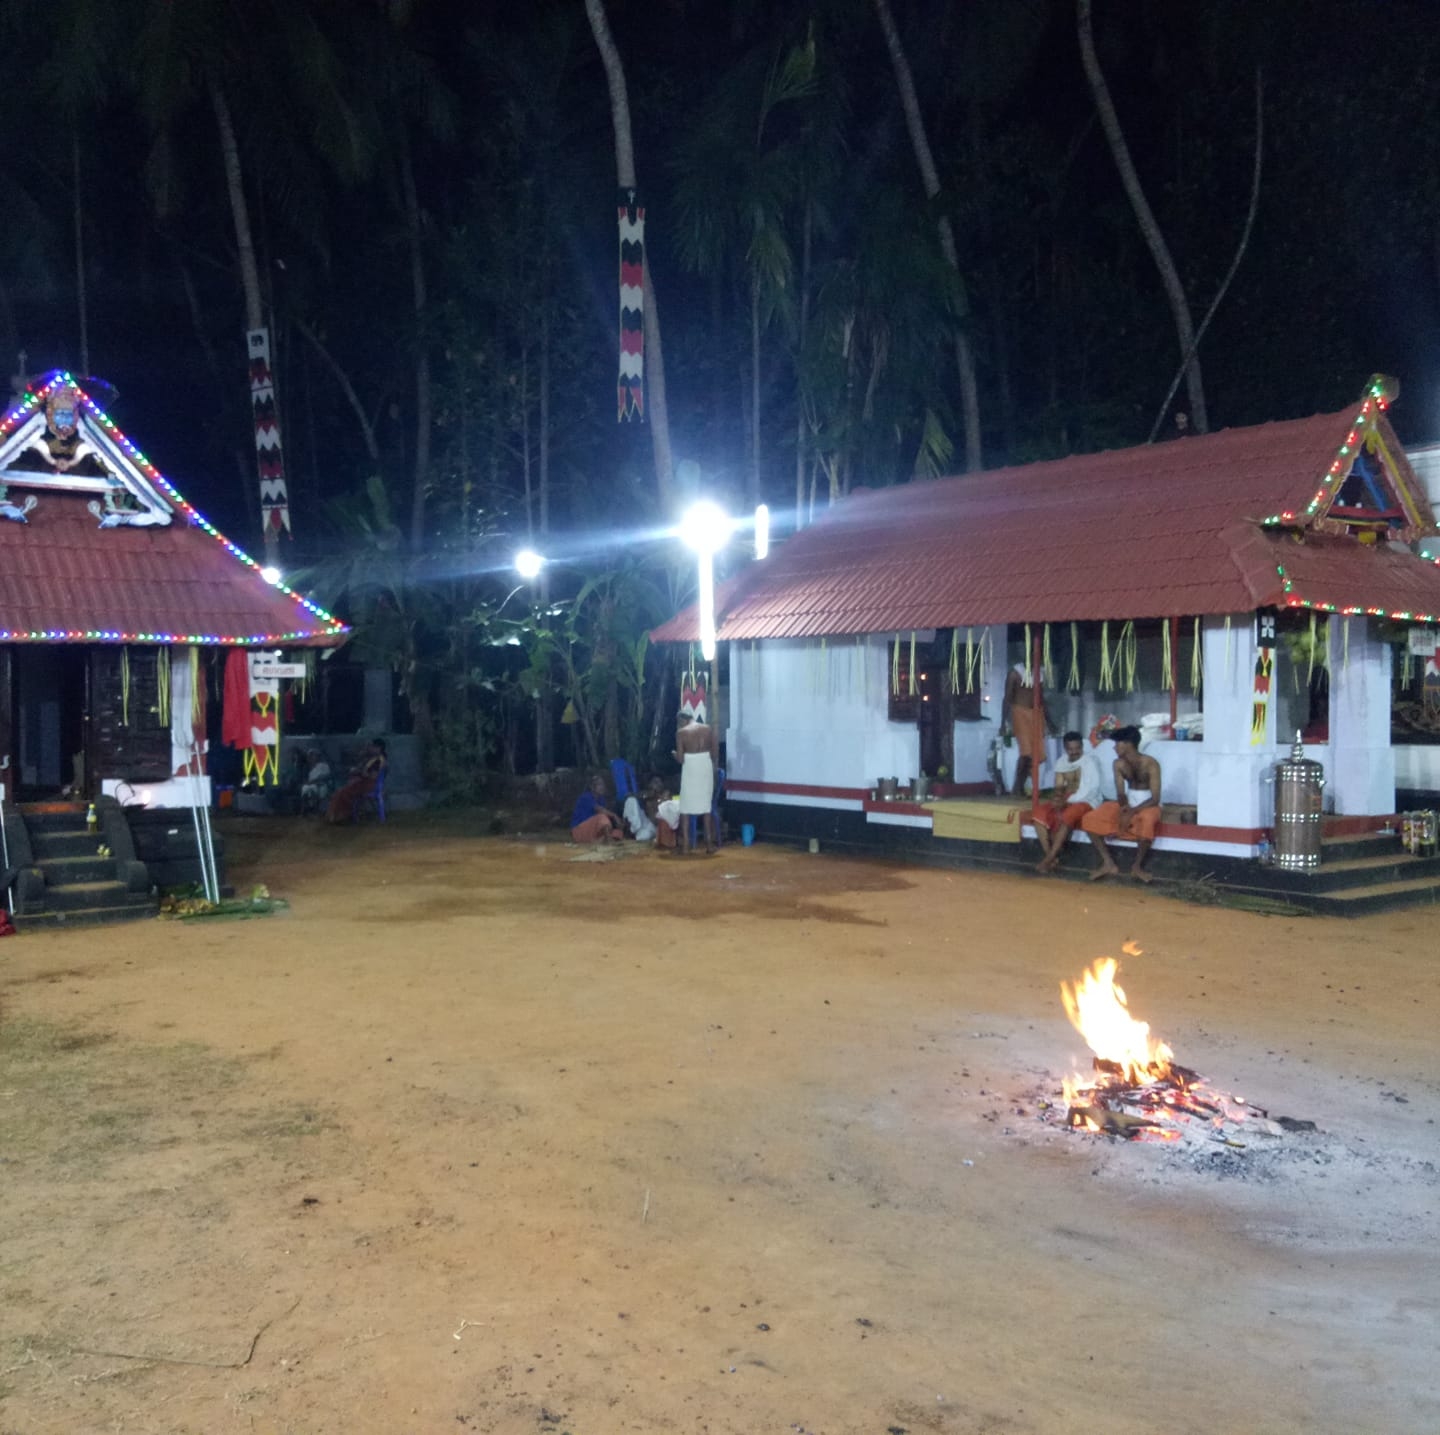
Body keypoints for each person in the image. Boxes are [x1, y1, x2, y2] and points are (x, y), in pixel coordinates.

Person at [1081, 725, 1162, 882]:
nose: (1114, 747)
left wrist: (1132, 812)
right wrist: (1125, 808)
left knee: (1147, 820)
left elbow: (1155, 798)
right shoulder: (1118, 764)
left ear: (1128, 744)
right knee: (1090, 818)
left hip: (1148, 804)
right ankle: (1108, 863)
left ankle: (1137, 867)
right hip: (1129, 802)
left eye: (1117, 743)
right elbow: (1120, 793)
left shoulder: (1151, 763)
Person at [1034, 730, 1104, 873]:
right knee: (1039, 813)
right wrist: (1057, 799)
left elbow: (1091, 789)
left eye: (1078, 748)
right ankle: (1050, 856)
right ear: (1065, 748)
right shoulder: (1061, 762)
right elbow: (1059, 786)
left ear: (1082, 747)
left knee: (1068, 815)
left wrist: (1066, 803)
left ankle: (1049, 859)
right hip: (1067, 798)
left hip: (1087, 799)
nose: (1074, 752)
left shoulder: (1089, 762)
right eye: (1070, 749)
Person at [674, 703, 719, 855]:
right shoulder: (707, 729)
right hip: (705, 765)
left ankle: (686, 846)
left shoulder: (681, 733)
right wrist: (711, 765)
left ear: (682, 719)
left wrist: (674, 754)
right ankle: (709, 845)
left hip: (691, 767)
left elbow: (680, 759)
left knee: (685, 808)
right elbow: (715, 751)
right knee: (706, 807)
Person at [1002, 659, 1041, 796]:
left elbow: (1041, 698)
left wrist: (1049, 720)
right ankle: (1016, 788)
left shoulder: (1040, 672)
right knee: (1026, 753)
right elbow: (1007, 698)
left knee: (1034, 756)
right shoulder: (1014, 673)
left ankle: (1021, 787)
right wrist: (1003, 723)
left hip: (1036, 715)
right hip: (1019, 713)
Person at [325, 738, 386, 824]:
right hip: (362, 782)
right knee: (341, 791)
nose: (370, 748)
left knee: (343, 793)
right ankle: (336, 817)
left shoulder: (379, 760)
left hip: (369, 785)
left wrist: (359, 772)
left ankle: (340, 817)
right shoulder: (372, 758)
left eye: (372, 746)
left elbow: (372, 776)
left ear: (379, 748)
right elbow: (362, 766)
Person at [570, 775, 622, 844]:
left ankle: (599, 840)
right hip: (579, 830)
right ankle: (608, 840)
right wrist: (614, 816)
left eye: (603, 784)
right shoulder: (586, 797)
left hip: (591, 831)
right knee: (602, 817)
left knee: (617, 833)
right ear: (592, 787)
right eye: (599, 784)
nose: (602, 787)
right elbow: (600, 810)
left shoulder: (601, 799)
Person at [300, 748, 333, 814]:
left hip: (322, 785)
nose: (311, 757)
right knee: (305, 789)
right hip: (311, 785)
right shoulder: (309, 769)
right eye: (310, 756)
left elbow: (326, 777)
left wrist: (316, 781)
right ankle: (303, 811)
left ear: (317, 756)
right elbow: (309, 780)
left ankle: (315, 811)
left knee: (313, 789)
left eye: (313, 755)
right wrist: (307, 783)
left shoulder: (324, 765)